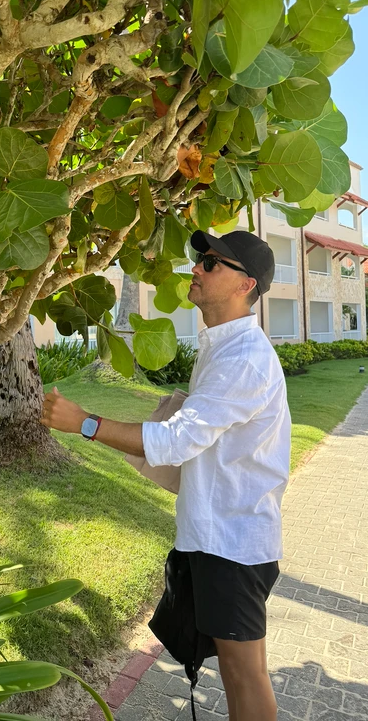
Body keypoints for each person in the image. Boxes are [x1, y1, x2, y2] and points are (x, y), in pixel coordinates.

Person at [41, 230, 291, 721]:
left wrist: (84, 423)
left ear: (247, 284)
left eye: (213, 263)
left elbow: (178, 441)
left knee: (245, 674)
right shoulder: (222, 346)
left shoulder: (243, 358)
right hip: (216, 534)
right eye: (201, 258)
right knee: (238, 673)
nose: (196, 268)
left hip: (233, 543)